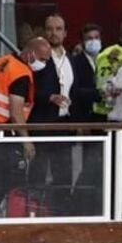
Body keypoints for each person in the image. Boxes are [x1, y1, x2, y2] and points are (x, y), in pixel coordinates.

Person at [0, 39, 40, 217]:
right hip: (2, 133)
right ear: (31, 54)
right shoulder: (21, 74)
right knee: (7, 182)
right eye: (42, 59)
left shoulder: (1, 61)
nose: (43, 64)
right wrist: (27, 141)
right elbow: (16, 112)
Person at [29, 14, 74, 188]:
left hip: (64, 125)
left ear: (65, 33)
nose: (53, 33)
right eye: (49, 29)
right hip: (42, 124)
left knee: (63, 176)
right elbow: (29, 90)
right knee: (37, 175)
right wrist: (50, 97)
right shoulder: (35, 59)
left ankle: (63, 211)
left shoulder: (72, 60)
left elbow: (76, 91)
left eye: (58, 29)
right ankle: (33, 212)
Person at [69, 23, 103, 122]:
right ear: (82, 42)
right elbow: (74, 91)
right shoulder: (74, 62)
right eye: (89, 38)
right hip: (85, 117)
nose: (94, 41)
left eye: (96, 37)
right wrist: (98, 93)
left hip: (105, 116)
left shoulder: (108, 60)